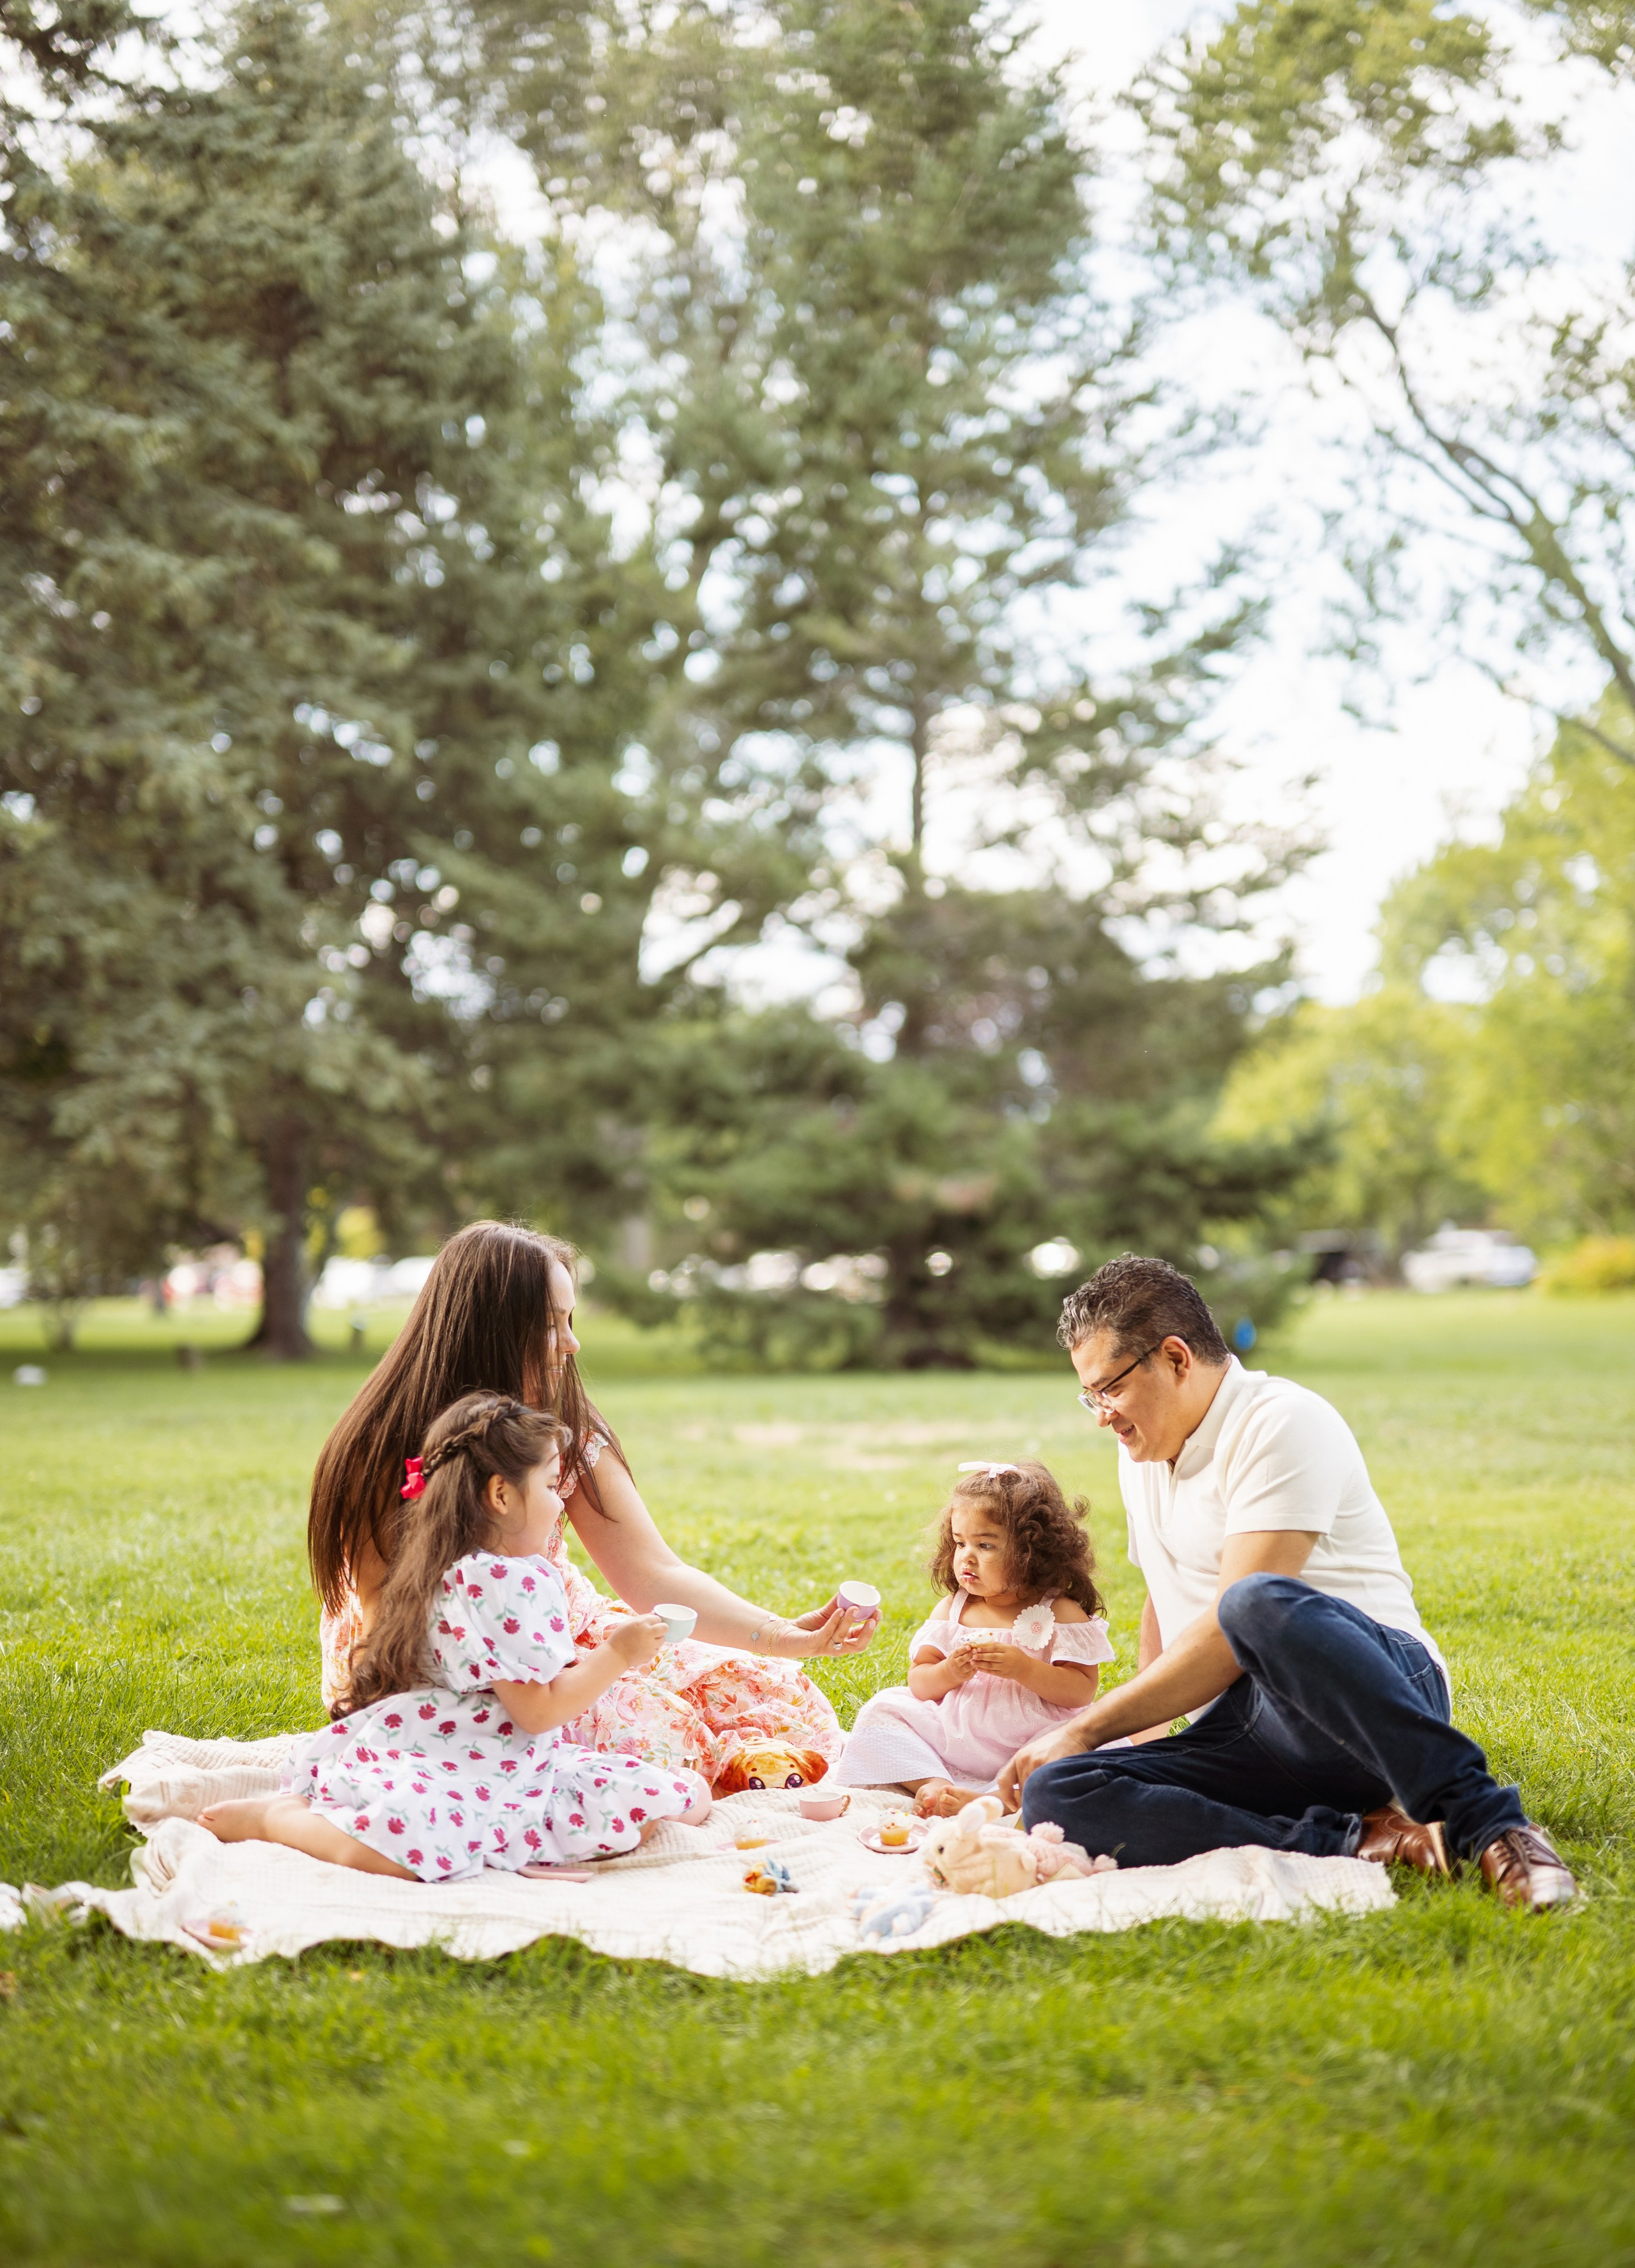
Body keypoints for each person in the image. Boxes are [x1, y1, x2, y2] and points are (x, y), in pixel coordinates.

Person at [998, 1254, 1579, 1912]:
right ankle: (1365, 1841)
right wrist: (1148, 1752)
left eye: (1109, 1389)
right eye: (1090, 1396)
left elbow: (1235, 1627)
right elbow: (1164, 1594)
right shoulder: (1143, 1450)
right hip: (1249, 1732)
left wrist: (1084, 1729)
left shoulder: (1282, 1421)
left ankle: (1492, 1824)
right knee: (1059, 1792)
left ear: (1176, 1358)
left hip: (1372, 1700)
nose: (1102, 1415)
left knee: (1253, 1604)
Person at [309, 1221, 874, 1787]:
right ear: (490, 1327)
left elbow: (653, 1572)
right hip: (437, 1656)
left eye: (570, 1319)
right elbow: (385, 1617)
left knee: (773, 1692)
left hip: (557, 1626)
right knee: (653, 1733)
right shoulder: (385, 1442)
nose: (571, 1342)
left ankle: (734, 1765)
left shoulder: (557, 1425)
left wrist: (782, 1636)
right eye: (549, 1324)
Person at [203, 1394, 713, 1879]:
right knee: (413, 1849)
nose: (560, 1504)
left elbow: (524, 1695)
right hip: (472, 1757)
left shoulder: (447, 1563)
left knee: (666, 1802)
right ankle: (279, 1821)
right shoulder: (505, 1583)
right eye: (551, 1486)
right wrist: (618, 1653)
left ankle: (334, 1812)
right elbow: (537, 1713)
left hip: (475, 1747)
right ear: (501, 1494)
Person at [832, 1459, 1114, 1817]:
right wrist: (949, 1671)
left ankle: (1000, 1797)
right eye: (959, 1542)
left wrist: (1024, 1669)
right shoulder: (954, 1610)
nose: (966, 1557)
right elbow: (920, 1683)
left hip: (1030, 1739)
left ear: (1032, 1552)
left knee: (1085, 1741)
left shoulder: (1060, 1611)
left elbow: (1081, 1692)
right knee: (882, 1710)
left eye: (985, 1546)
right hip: (953, 1736)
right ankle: (934, 1782)